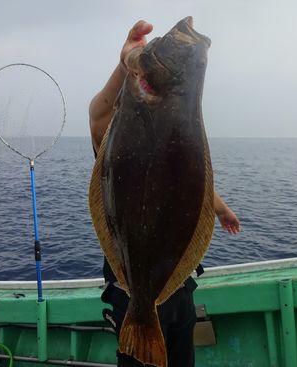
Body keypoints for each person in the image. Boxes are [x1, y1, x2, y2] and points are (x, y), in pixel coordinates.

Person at [89, 20, 241, 367]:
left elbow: (183, 180)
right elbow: (97, 115)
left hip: (180, 286)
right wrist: (124, 61)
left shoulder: (169, 125)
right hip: (130, 291)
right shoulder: (113, 133)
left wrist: (219, 209)